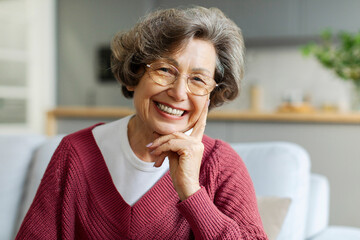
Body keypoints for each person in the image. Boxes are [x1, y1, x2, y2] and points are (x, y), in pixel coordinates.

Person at [16, 6, 268, 240]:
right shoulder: (75, 152)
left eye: (198, 80)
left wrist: (191, 191)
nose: (179, 93)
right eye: (165, 70)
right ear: (133, 75)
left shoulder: (221, 164)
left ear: (211, 95)